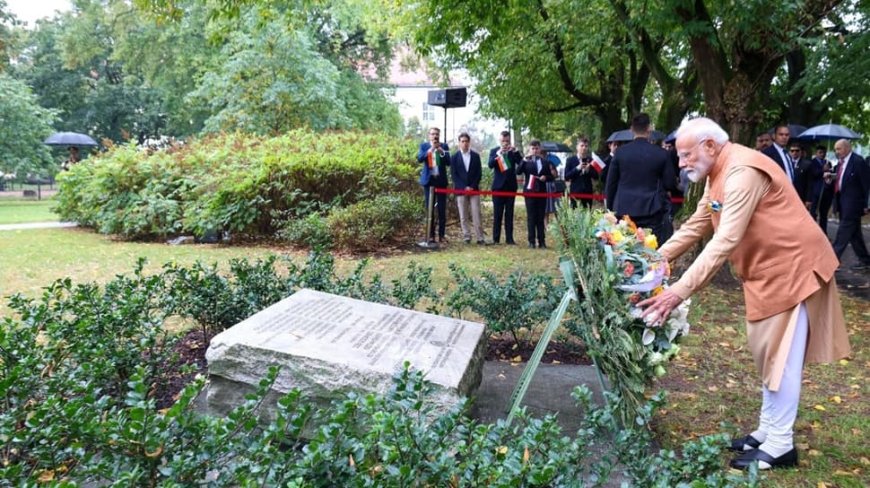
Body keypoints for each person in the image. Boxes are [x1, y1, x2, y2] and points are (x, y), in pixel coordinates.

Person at [639, 117, 851, 471]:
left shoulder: (741, 172)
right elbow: (698, 224)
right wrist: (654, 260)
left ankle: (781, 443)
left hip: (792, 269)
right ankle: (768, 431)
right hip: (767, 274)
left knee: (780, 359)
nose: (681, 163)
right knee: (768, 354)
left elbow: (725, 240)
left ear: (710, 145)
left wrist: (676, 292)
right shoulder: (719, 172)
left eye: (686, 154)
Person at [605, 113, 676, 244]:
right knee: (651, 249)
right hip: (652, 209)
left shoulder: (620, 153)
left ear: (631, 129)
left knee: (624, 249)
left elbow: (611, 184)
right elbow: (670, 183)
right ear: (649, 128)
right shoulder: (661, 154)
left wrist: (610, 209)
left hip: (623, 210)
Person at [830, 139, 870, 270]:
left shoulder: (858, 161)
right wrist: (831, 177)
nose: (837, 152)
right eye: (835, 149)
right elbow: (844, 179)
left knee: (844, 231)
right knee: (855, 234)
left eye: (839, 149)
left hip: (854, 204)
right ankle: (865, 260)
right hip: (843, 201)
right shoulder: (841, 163)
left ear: (847, 148)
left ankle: (832, 259)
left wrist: (867, 204)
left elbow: (866, 184)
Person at [516, 140, 557, 248]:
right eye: (533, 148)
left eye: (537, 148)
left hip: (541, 192)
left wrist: (546, 177)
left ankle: (542, 241)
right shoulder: (526, 161)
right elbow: (518, 171)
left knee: (540, 216)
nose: (535, 151)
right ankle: (531, 241)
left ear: (540, 149)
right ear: (529, 149)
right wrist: (524, 159)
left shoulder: (544, 162)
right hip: (529, 192)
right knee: (531, 217)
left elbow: (551, 177)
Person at [450, 132, 485, 244]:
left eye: (466, 141)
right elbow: (454, 175)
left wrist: (472, 186)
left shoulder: (475, 156)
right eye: (462, 141)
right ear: (459, 143)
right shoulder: (454, 157)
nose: (465, 143)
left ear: (469, 142)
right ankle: (467, 236)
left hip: (474, 190)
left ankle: (480, 237)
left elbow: (479, 173)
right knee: (463, 215)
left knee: (476, 214)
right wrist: (463, 187)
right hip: (461, 190)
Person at [488, 130, 521, 245]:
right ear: (500, 140)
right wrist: (499, 153)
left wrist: (516, 152)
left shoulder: (513, 152)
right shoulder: (494, 151)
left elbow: (521, 164)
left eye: (507, 141)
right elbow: (490, 165)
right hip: (498, 187)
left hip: (511, 187)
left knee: (509, 214)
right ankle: (496, 239)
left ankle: (509, 238)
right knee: (497, 214)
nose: (505, 143)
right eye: (503, 141)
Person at [417, 127, 450, 243]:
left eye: (437, 134)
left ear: (439, 135)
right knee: (429, 209)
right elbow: (419, 159)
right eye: (433, 134)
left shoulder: (444, 146)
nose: (435, 136)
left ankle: (441, 235)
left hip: (440, 181)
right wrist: (431, 149)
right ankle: (430, 235)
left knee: (442, 209)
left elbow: (449, 162)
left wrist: (441, 152)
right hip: (428, 182)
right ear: (429, 135)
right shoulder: (424, 146)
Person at [564, 138, 598, 209]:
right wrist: (577, 168)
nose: (584, 148)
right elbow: (566, 176)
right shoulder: (570, 160)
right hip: (575, 192)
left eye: (586, 146)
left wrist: (589, 171)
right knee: (575, 217)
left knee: (587, 215)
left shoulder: (591, 160)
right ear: (577, 147)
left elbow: (596, 176)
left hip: (588, 192)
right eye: (582, 145)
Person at [791, 143, 820, 214]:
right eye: (792, 151)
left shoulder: (807, 164)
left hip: (801, 196)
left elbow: (810, 183)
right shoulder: (787, 162)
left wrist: (808, 199)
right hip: (789, 195)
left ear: (801, 152)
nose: (794, 153)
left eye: (797, 151)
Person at [817, 148, 836, 235]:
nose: (822, 154)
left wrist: (829, 170)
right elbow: (814, 174)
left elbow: (830, 175)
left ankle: (823, 232)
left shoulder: (828, 163)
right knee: (814, 214)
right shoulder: (813, 163)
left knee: (824, 214)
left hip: (827, 192)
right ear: (816, 153)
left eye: (824, 152)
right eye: (820, 152)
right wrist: (822, 170)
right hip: (817, 192)